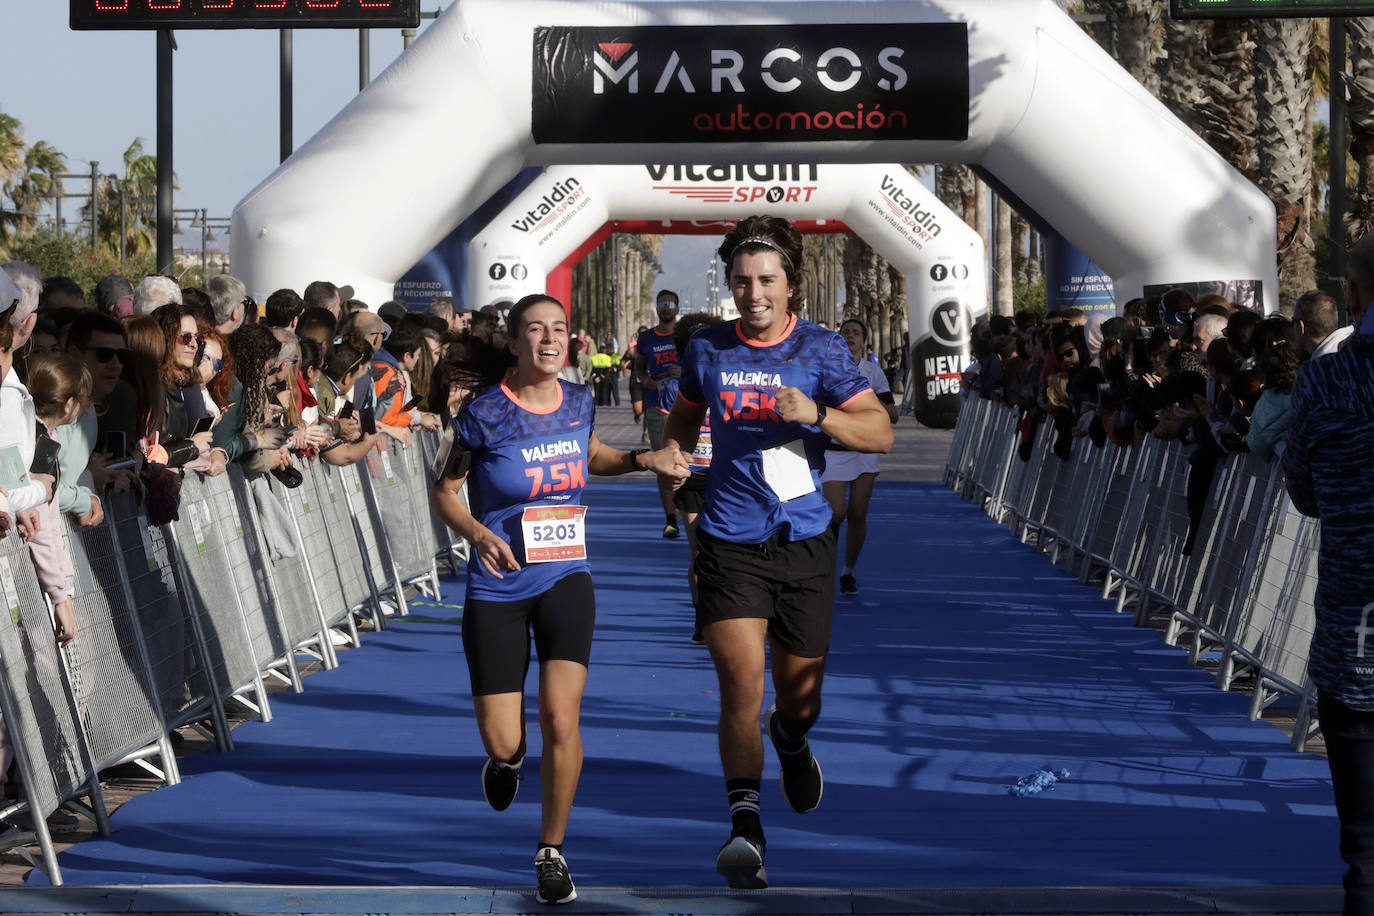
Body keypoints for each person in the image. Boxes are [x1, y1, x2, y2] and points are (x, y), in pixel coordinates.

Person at [431, 293, 687, 904]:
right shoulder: (484, 415)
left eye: (559, 329)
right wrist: (478, 533)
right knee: (504, 738)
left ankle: (551, 850)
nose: (550, 339)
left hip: (565, 577)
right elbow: (444, 491)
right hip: (498, 583)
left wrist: (640, 459)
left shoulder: (576, 401)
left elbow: (586, 454)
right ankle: (508, 761)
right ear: (516, 343)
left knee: (561, 719)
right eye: (536, 331)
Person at [662, 216, 892, 889]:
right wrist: (676, 460)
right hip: (730, 541)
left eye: (766, 280)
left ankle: (791, 739)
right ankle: (745, 826)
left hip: (804, 541)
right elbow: (683, 416)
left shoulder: (822, 351)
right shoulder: (707, 349)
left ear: (791, 286)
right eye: (741, 281)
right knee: (741, 682)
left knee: (799, 700)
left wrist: (817, 416)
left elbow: (878, 435)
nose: (752, 293)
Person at [1282, 230, 1374, 916]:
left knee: (1366, 847)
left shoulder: (1327, 376)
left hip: (1355, 625)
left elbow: (1302, 487)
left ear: (1353, 296)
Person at [655, 312, 721, 643]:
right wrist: (671, 459)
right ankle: (701, 616)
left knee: (723, 548)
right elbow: (672, 430)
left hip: (726, 474)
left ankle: (724, 612)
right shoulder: (675, 388)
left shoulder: (729, 378)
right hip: (692, 475)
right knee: (699, 548)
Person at [822, 319, 899, 596]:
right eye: (846, 333)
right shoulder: (828, 369)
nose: (850, 336)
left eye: (856, 332)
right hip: (832, 451)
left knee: (857, 513)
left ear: (864, 340)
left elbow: (893, 414)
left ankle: (848, 572)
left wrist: (866, 398)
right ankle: (824, 563)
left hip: (864, 452)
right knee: (836, 512)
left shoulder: (873, 372)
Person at [636, 291, 683, 537]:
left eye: (670, 304)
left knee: (689, 460)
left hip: (686, 406)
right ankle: (670, 519)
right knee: (664, 463)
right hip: (657, 406)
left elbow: (701, 365)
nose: (665, 308)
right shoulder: (646, 338)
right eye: (661, 304)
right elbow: (639, 371)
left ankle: (690, 507)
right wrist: (647, 382)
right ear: (656, 308)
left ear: (677, 308)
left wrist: (683, 372)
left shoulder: (685, 335)